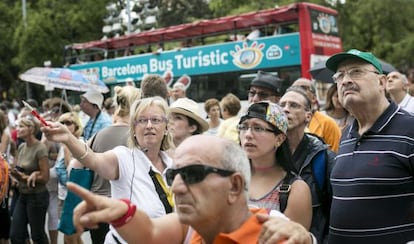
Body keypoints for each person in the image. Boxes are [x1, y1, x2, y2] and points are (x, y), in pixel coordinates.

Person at [67, 135, 315, 244]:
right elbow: (150, 233)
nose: (176, 187)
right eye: (174, 174)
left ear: (235, 185)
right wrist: (120, 211)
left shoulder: (273, 235)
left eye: (193, 175)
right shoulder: (191, 225)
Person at [42, 96, 175, 244]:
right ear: (134, 130)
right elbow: (92, 159)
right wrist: (68, 138)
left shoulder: (173, 165)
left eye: (155, 120)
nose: (149, 125)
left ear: (166, 128)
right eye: (142, 120)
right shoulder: (123, 157)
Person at [325, 48, 414, 243]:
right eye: (339, 76)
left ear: (382, 82)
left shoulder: (410, 129)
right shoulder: (345, 135)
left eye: (356, 72)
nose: (346, 80)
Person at [238, 101, 312, 230]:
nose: (248, 135)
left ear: (279, 139)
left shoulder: (294, 190)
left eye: (258, 128)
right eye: (244, 127)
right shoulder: (231, 180)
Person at [280, 86, 336, 243]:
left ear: (308, 116)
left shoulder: (324, 159)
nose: (286, 109)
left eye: (294, 105)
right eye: (282, 105)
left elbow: (336, 214)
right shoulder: (266, 154)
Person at [10, 116, 50, 244]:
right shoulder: (21, 147)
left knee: (37, 236)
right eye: (17, 126)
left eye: (21, 126)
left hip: (37, 197)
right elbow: (16, 168)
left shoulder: (40, 148)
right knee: (15, 234)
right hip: (22, 195)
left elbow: (45, 177)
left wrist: (25, 177)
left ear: (31, 129)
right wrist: (11, 173)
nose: (18, 129)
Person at [56, 111, 85, 244]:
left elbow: (71, 172)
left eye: (68, 123)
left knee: (69, 235)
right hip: (64, 194)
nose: (64, 125)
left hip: (73, 196)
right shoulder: (63, 144)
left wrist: (67, 147)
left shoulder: (78, 143)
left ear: (76, 126)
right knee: (74, 236)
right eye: (61, 122)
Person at [291, 78, 341, 152]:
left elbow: (335, 156)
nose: (298, 91)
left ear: (314, 98)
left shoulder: (327, 123)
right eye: (294, 89)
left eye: (303, 88)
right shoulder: (285, 122)